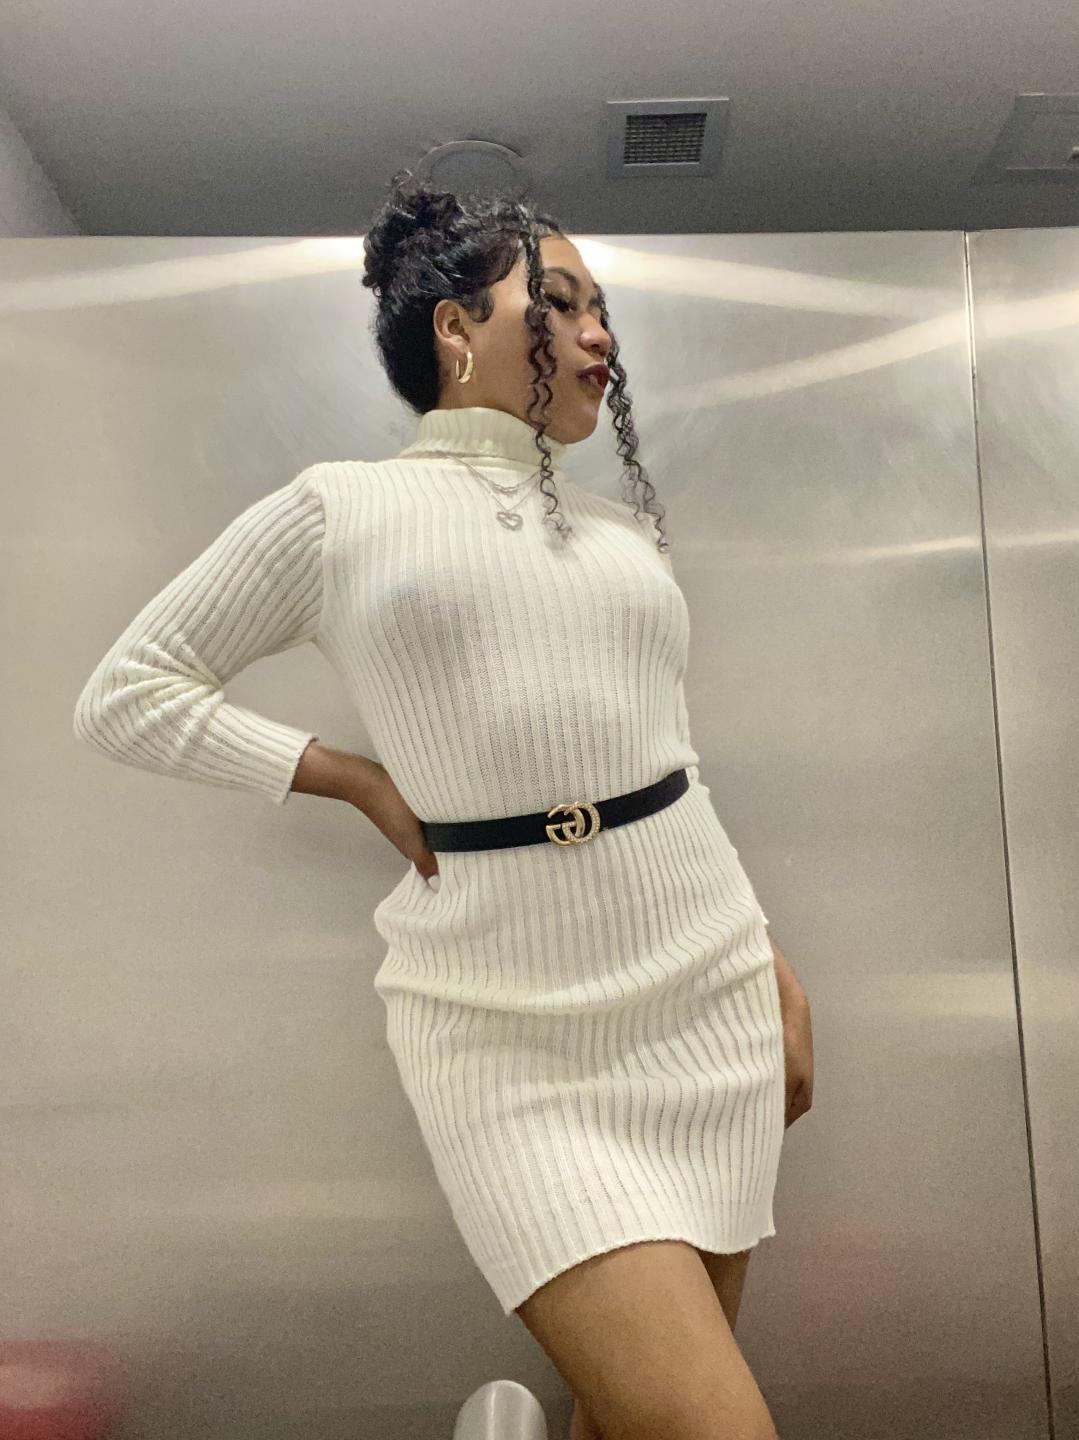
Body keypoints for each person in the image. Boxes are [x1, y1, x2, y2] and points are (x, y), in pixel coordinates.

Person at [73, 169, 814, 1440]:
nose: (598, 335)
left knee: (630, 1415)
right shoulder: (340, 510)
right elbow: (127, 693)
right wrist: (353, 778)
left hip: (704, 1000)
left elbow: (671, 764)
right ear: (455, 328)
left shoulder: (622, 536)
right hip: (503, 1037)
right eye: (560, 302)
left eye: (602, 309)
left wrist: (764, 959)